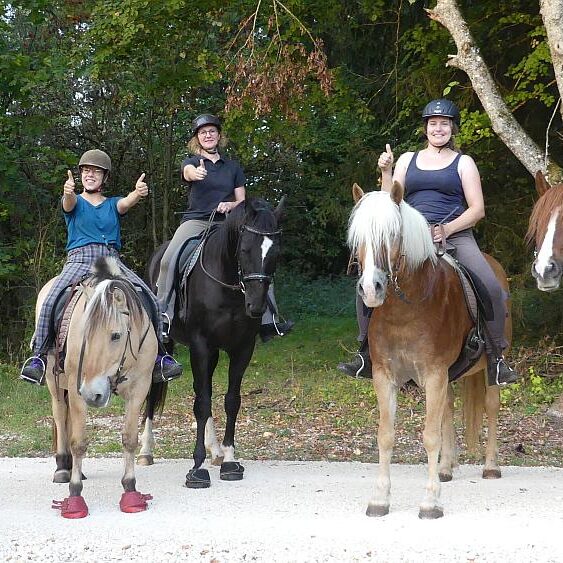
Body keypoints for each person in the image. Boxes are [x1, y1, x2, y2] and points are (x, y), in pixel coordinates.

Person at [338, 99, 518, 386]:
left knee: (491, 286)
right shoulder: (407, 160)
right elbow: (388, 202)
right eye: (433, 123)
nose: (438, 128)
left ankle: (496, 358)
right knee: (369, 281)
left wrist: (447, 229)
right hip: (410, 237)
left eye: (444, 124)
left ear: (452, 128)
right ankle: (364, 354)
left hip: (455, 234)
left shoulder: (464, 163)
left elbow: (477, 209)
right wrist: (386, 172)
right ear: (425, 128)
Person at [20, 149, 183, 385]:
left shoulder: (112, 204)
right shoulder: (74, 201)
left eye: (96, 172)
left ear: (104, 177)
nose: (90, 175)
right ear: (81, 175)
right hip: (80, 259)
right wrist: (68, 192)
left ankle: (160, 356)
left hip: (110, 260)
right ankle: (39, 357)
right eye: (86, 170)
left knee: (149, 298)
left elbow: (126, 203)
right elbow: (68, 204)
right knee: (51, 298)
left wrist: (137, 193)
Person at [156, 113, 293, 342]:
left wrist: (231, 205)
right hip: (196, 221)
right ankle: (163, 316)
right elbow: (187, 173)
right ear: (197, 138)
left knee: (259, 257)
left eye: (212, 131)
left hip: (228, 224)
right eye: (203, 132)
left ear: (219, 136)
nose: (208, 135)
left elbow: (242, 200)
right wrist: (196, 173)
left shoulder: (233, 167)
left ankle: (269, 321)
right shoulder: (191, 163)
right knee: (168, 259)